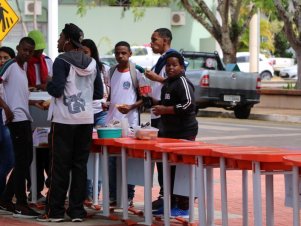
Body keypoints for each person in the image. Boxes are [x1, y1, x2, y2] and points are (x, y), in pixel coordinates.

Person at [37, 23, 103, 222]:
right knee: (79, 166)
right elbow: (98, 93)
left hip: (64, 120)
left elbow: (56, 90)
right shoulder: (92, 63)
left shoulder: (61, 61)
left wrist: (49, 83)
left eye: (59, 37)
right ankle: (76, 211)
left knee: (59, 166)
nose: (57, 41)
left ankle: (55, 211)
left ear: (67, 40)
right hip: (85, 120)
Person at [145, 51, 198, 217]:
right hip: (167, 132)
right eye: (168, 65)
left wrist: (165, 109)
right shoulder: (168, 83)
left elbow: (189, 105)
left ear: (182, 67)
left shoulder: (183, 82)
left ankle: (184, 207)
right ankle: (171, 203)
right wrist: (153, 102)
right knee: (167, 170)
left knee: (181, 169)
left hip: (183, 132)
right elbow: (166, 103)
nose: (170, 68)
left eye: (174, 65)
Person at [0, 37, 45, 218]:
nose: (27, 53)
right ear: (18, 48)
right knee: (22, 161)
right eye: (24, 50)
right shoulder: (10, 65)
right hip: (15, 119)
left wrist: (35, 102)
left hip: (24, 118)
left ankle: (5, 199)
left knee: (24, 161)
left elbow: (18, 95)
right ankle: (20, 203)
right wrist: (6, 108)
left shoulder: (22, 68)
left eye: (30, 51)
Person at [105, 41, 146, 207]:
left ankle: (128, 195)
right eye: (117, 53)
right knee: (112, 161)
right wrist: (105, 103)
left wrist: (131, 107)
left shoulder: (137, 72)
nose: (120, 56)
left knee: (128, 161)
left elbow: (145, 98)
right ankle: (113, 195)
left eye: (123, 53)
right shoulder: (111, 71)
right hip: (112, 122)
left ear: (130, 54)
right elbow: (109, 95)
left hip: (131, 123)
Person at [144, 28, 179, 211]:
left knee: (168, 159)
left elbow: (176, 83)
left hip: (166, 115)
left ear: (165, 40)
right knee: (159, 158)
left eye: (154, 39)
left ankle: (172, 198)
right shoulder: (161, 58)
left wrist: (155, 78)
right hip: (157, 112)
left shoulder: (173, 58)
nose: (151, 43)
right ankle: (164, 195)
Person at [81, 38, 109, 209]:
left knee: (99, 155)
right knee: (85, 156)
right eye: (81, 52)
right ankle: (86, 194)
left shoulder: (101, 68)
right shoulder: (76, 68)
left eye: (86, 52)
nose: (83, 55)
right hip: (83, 114)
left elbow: (106, 89)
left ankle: (94, 195)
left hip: (99, 113)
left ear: (92, 53)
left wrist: (106, 99)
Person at [26, 30, 53, 203]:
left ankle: (51, 188)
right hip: (30, 110)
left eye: (40, 50)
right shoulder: (23, 64)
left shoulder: (48, 61)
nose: (38, 54)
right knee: (32, 154)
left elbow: (53, 81)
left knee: (47, 152)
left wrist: (45, 84)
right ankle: (34, 189)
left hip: (46, 109)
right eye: (35, 51)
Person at [0, 46, 15, 196]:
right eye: (0, 58)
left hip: (8, 118)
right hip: (3, 116)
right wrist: (5, 107)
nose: (2, 61)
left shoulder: (14, 73)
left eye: (6, 58)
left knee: (9, 159)